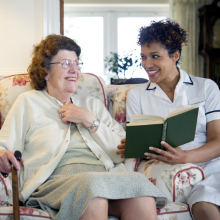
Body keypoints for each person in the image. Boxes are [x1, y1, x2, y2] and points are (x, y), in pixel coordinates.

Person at [0, 34, 167, 220]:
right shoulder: (28, 102)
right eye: (65, 63)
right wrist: (2, 155)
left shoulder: (92, 105)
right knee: (93, 192)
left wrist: (89, 120)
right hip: (54, 181)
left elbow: (121, 150)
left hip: (104, 176)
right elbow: (4, 146)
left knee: (141, 193)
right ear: (45, 72)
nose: (74, 70)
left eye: (77, 63)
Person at [116, 18, 220, 220]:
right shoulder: (138, 95)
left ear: (175, 55)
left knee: (205, 209)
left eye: (155, 56)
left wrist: (185, 157)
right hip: (162, 165)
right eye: (143, 57)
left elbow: (218, 141)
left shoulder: (206, 87)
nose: (147, 64)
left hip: (210, 166)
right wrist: (132, 145)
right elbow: (139, 145)